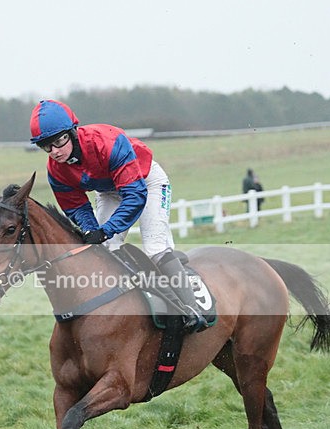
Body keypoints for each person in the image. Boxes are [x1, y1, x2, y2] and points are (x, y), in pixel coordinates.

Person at [29, 99, 207, 333]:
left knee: (155, 247)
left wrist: (105, 229)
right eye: (46, 147)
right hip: (109, 190)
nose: (55, 152)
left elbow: (135, 196)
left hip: (145, 182)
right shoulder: (56, 169)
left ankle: (192, 309)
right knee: (105, 249)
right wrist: (92, 230)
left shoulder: (107, 143)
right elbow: (76, 206)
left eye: (59, 141)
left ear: (72, 132)